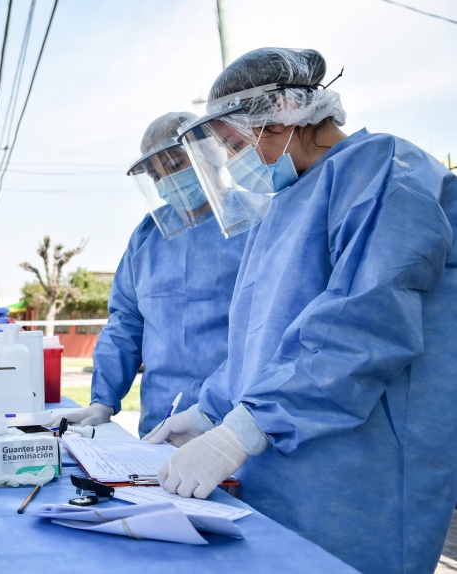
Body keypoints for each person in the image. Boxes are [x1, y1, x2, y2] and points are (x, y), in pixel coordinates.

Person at [154, 47, 457, 574]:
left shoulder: (384, 172)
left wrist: (244, 429)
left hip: (362, 469)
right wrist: (209, 413)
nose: (231, 161)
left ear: (279, 118)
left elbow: (362, 327)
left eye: (232, 143)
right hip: (278, 465)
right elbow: (260, 339)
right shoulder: (282, 206)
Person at [57, 112, 245, 437]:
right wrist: (103, 400)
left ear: (208, 154)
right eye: (155, 175)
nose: (166, 182)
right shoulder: (147, 236)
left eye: (173, 166)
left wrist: (214, 414)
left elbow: (269, 332)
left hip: (235, 424)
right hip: (159, 425)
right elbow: (126, 323)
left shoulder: (254, 221)